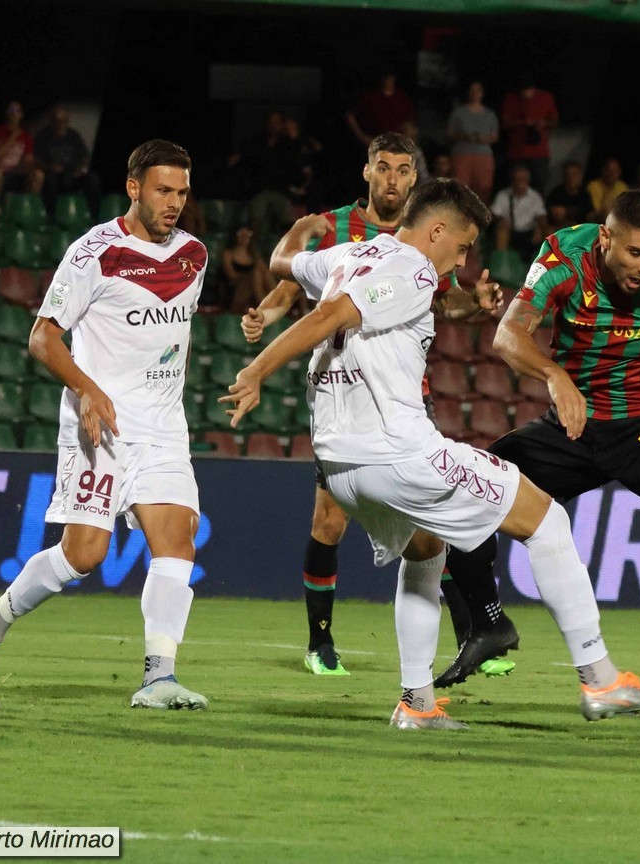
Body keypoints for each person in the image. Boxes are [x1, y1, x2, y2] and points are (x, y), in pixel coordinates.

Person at [222, 179, 640, 728]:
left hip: (339, 466)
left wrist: (302, 229)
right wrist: (256, 370)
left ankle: (417, 704)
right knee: (546, 519)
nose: (461, 259)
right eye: (461, 246)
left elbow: (284, 261)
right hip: (397, 453)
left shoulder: (349, 255)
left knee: (427, 549)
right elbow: (329, 316)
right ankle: (601, 682)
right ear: (436, 231)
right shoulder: (410, 268)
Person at [436, 190, 640, 687]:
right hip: (574, 424)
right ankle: (487, 625)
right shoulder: (564, 257)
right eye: (636, 253)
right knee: (466, 492)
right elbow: (509, 335)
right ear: (607, 237)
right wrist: (554, 375)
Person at [239, 132, 505, 676]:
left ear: (415, 177)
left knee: (433, 526)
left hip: (407, 399)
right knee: (331, 520)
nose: (393, 180)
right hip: (346, 401)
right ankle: (320, 641)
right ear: (367, 171)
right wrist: (266, 317)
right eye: (384, 168)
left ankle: (470, 636)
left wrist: (473, 305)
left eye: (404, 171)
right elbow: (295, 285)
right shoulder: (339, 229)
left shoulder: (435, 234)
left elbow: (442, 303)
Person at [0, 140, 209, 710]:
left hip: (164, 427)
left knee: (176, 543)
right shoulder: (93, 253)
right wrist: (89, 390)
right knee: (84, 555)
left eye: (181, 192)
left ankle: (159, 675)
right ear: (134, 188)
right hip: (100, 425)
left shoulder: (194, 255)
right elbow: (42, 338)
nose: (174, 203)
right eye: (163, 190)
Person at [446, 81, 498, 204]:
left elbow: (494, 136)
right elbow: (450, 133)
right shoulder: (458, 113)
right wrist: (465, 136)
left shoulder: (490, 115)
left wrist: (482, 139)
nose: (475, 94)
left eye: (477, 91)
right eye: (472, 90)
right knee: (460, 189)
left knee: (483, 190)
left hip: (483, 156)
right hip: (462, 154)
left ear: (482, 93)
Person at [220, 227, 275, 314]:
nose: (244, 237)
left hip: (253, 290)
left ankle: (274, 302)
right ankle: (266, 306)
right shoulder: (228, 253)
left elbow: (265, 272)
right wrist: (249, 278)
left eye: (247, 234)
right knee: (255, 275)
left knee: (263, 273)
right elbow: (231, 275)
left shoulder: (253, 254)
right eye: (241, 234)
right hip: (236, 290)